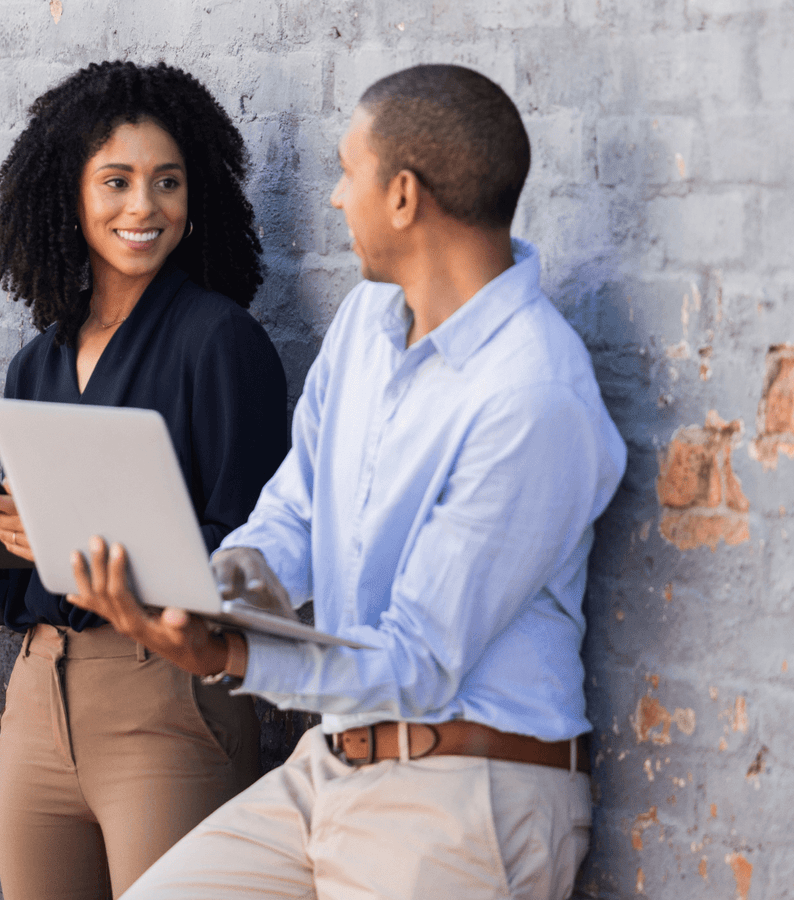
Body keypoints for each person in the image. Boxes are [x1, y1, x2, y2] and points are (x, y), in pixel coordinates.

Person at [67, 64, 626, 900]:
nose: (335, 199)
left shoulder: (533, 395)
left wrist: (226, 649)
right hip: (329, 763)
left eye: (347, 171)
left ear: (402, 197)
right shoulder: (369, 321)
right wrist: (207, 592)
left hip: (464, 797)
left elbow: (419, 660)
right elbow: (292, 512)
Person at [0, 60, 291, 900]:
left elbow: (251, 558)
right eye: (115, 181)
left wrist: (74, 546)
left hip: (166, 694)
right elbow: (32, 584)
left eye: (167, 183)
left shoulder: (222, 344)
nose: (143, 206)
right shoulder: (39, 361)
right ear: (68, 199)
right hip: (40, 697)